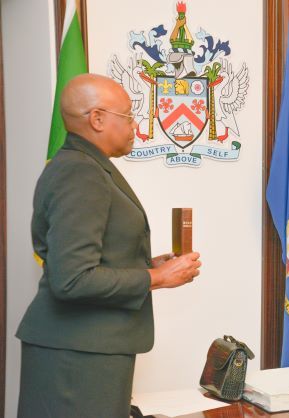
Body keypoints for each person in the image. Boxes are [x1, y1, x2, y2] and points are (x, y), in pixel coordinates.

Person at [16, 73, 202, 418]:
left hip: (84, 348)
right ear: (97, 119)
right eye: (128, 115)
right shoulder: (80, 172)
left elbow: (87, 257)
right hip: (77, 356)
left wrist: (151, 264)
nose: (135, 125)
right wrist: (157, 277)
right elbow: (72, 279)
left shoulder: (83, 165)